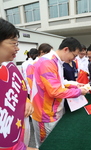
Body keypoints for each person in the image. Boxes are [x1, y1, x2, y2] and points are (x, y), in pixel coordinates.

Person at [31, 37, 88, 148]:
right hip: (45, 114)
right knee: (47, 145)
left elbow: (60, 82)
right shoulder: (47, 62)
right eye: (74, 55)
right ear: (66, 49)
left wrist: (75, 85)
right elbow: (55, 91)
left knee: (55, 142)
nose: (74, 59)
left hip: (53, 110)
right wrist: (78, 92)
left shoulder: (56, 61)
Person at [0, 18, 37, 150]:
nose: (18, 48)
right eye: (13, 43)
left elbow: (17, 91)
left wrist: (25, 101)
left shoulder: (6, 69)